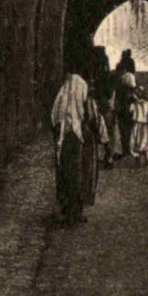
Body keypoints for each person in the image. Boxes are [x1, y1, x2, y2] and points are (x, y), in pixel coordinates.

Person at [51, 73, 90, 225]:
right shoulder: (80, 108)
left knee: (65, 176)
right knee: (76, 176)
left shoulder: (61, 99)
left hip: (63, 141)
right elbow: (85, 118)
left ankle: (67, 210)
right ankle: (74, 214)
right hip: (74, 140)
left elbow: (54, 119)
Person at [83, 78, 110, 203]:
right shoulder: (90, 102)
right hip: (89, 138)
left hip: (81, 137)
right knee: (90, 168)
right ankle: (88, 195)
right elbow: (95, 121)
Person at [130, 86, 148, 165]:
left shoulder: (147, 104)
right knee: (136, 141)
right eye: (138, 92)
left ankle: (144, 159)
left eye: (140, 92)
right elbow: (130, 112)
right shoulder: (134, 104)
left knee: (143, 141)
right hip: (137, 124)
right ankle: (138, 159)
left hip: (142, 124)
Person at [113, 70, 137, 158]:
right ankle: (125, 150)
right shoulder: (125, 92)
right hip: (125, 113)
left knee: (125, 132)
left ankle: (125, 150)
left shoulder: (121, 91)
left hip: (125, 113)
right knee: (125, 132)